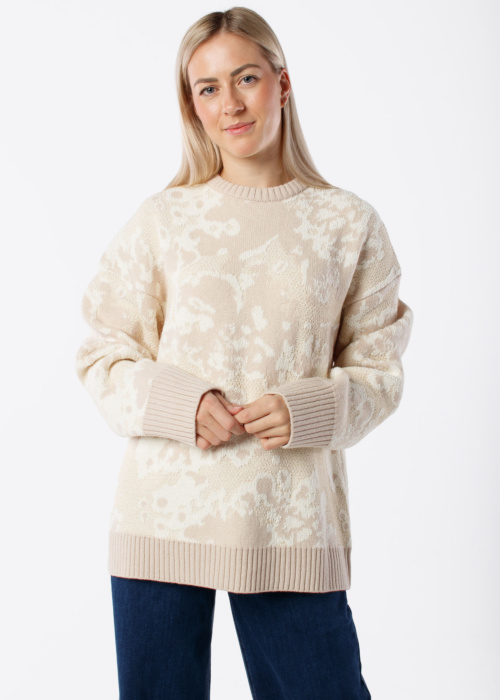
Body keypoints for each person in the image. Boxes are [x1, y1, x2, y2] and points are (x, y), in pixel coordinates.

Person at [75, 6, 413, 699]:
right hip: (161, 518)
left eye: (246, 78)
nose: (229, 102)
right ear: (192, 105)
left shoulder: (348, 223)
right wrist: (180, 402)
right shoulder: (163, 220)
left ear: (282, 83)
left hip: (289, 523)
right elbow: (103, 354)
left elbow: (380, 372)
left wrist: (311, 408)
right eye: (208, 87)